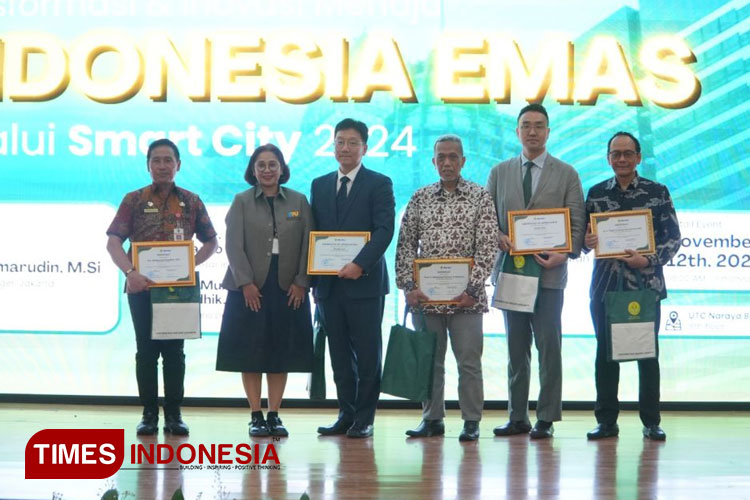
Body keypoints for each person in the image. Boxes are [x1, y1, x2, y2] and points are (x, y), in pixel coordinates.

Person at [106, 138, 218, 436]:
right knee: (146, 352)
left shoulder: (192, 201)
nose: (163, 165)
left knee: (174, 352)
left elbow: (211, 241)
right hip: (141, 288)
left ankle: (174, 415)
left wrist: (189, 265)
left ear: (178, 165)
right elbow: (113, 242)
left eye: (168, 160)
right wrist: (130, 272)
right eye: (157, 160)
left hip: (178, 291)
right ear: (148, 165)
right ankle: (148, 415)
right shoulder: (134, 199)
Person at [486, 103, 585, 439]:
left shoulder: (567, 173)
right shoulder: (499, 172)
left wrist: (565, 253)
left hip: (549, 274)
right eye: (526, 125)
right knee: (516, 349)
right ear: (517, 131)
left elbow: (577, 221)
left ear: (548, 131)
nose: (532, 131)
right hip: (512, 274)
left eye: (539, 125)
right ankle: (517, 417)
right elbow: (488, 221)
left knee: (549, 347)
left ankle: (546, 417)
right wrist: (498, 236)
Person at [395, 134, 499, 441]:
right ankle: (432, 419)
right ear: (433, 161)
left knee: (468, 362)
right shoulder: (420, 197)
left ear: (463, 161)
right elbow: (405, 246)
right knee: (430, 361)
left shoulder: (480, 197)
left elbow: (488, 246)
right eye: (441, 157)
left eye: (453, 157)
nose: (447, 163)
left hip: (466, 300)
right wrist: (408, 287)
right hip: (426, 300)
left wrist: (473, 289)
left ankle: (471, 421)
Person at [584, 131, 681, 441]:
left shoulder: (658, 191)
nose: (622, 159)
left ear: (638, 157)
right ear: (608, 158)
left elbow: (673, 238)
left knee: (646, 355)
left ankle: (651, 421)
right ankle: (606, 421)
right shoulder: (597, 193)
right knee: (605, 355)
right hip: (605, 288)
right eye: (616, 154)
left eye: (628, 153)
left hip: (645, 285)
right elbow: (583, 240)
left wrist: (648, 259)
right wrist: (585, 242)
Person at [216, 144, 314, 438]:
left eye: (273, 164)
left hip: (288, 288)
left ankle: (274, 414)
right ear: (253, 170)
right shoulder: (242, 201)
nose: (268, 170)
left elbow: (310, 243)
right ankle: (255, 414)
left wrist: (302, 281)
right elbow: (233, 245)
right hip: (249, 288)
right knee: (251, 351)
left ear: (282, 168)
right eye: (262, 165)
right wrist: (245, 283)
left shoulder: (299, 200)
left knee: (280, 351)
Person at [310, 118, 395, 438]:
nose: (345, 148)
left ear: (365, 148)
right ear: (333, 146)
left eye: (352, 143)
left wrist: (360, 264)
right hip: (329, 286)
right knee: (339, 354)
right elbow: (313, 234)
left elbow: (385, 230)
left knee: (368, 352)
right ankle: (345, 414)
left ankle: (365, 419)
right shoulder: (319, 184)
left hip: (365, 283)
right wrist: (312, 280)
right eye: (340, 142)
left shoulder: (379, 183)